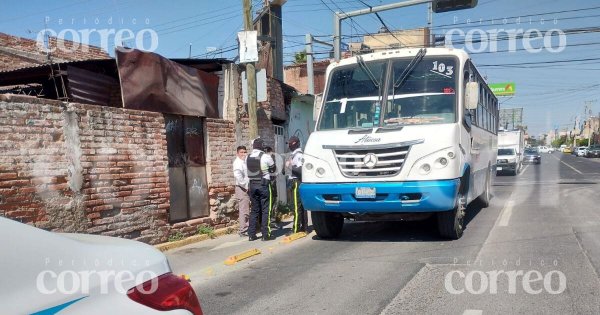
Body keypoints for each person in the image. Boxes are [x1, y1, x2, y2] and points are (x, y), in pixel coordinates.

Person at [246, 138, 276, 241]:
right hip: (263, 185)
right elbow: (273, 169)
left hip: (252, 185)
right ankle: (265, 234)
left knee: (254, 210)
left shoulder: (248, 157)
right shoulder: (266, 157)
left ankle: (251, 234)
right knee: (265, 209)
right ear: (262, 146)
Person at [286, 136, 307, 234]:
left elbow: (300, 170)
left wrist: (289, 166)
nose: (289, 145)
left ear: (296, 144)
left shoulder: (299, 155)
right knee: (299, 205)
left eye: (291, 143)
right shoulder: (293, 155)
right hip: (293, 181)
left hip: (297, 181)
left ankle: (296, 228)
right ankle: (304, 226)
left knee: (296, 206)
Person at [233, 145, 250, 236]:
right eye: (241, 152)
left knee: (246, 209)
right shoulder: (238, 162)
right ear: (237, 153)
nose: (243, 154)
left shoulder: (244, 161)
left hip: (245, 187)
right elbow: (238, 176)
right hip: (241, 188)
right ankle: (243, 230)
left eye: (244, 152)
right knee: (244, 210)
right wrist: (245, 186)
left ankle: (246, 228)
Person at [264, 146, 279, 229]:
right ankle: (271, 222)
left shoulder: (261, 159)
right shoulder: (268, 159)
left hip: (266, 184)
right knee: (272, 203)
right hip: (271, 184)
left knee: (269, 203)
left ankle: (268, 222)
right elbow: (274, 171)